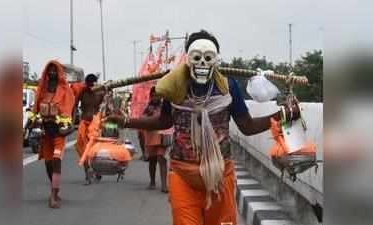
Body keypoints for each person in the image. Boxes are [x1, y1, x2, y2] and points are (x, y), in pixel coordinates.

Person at [106, 30, 300, 225]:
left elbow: (247, 126)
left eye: (208, 58)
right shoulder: (174, 86)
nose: (202, 64)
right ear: (189, 59)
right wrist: (124, 121)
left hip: (220, 176)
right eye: (197, 57)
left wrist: (282, 115)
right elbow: (164, 122)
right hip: (183, 175)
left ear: (215, 60)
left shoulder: (228, 87)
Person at [29, 60, 75, 208]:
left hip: (58, 134)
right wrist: (31, 123)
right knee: (48, 164)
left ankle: (53, 196)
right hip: (45, 133)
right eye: (50, 70)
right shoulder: (41, 89)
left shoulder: (65, 90)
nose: (53, 73)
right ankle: (55, 187)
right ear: (47, 72)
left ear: (60, 72)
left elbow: (69, 112)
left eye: (55, 70)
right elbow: (35, 111)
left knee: (56, 161)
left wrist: (67, 126)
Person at [74, 74, 105, 184]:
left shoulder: (100, 92)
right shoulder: (82, 91)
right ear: (86, 83)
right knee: (82, 148)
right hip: (84, 122)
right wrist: (71, 122)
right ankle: (88, 173)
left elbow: (106, 106)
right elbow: (74, 106)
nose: (91, 86)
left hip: (95, 123)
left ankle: (96, 170)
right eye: (89, 83)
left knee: (94, 149)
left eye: (93, 84)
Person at [142, 87, 168, 193]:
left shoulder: (165, 107)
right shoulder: (147, 108)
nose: (155, 97)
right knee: (152, 161)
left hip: (162, 137)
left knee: (162, 159)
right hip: (151, 138)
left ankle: (164, 186)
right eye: (153, 96)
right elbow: (142, 120)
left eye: (157, 95)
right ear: (150, 96)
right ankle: (152, 182)